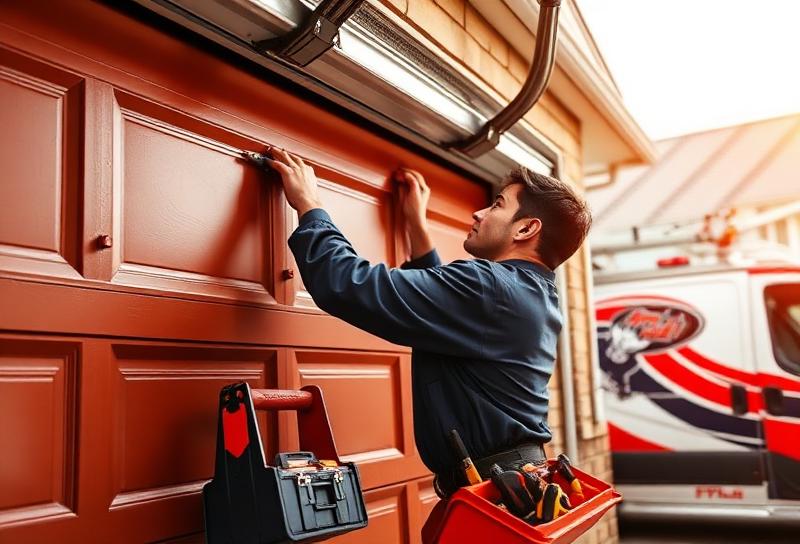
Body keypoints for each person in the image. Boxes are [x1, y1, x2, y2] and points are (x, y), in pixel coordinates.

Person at [258, 146, 591, 503]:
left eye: (496, 205)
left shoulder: (491, 289)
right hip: (511, 489)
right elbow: (448, 311)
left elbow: (346, 283)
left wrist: (310, 203)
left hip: (493, 497)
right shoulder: (533, 295)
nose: (479, 213)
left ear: (526, 228)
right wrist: (418, 230)